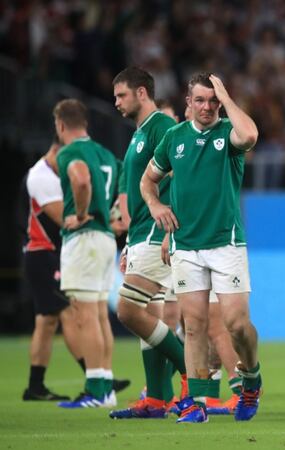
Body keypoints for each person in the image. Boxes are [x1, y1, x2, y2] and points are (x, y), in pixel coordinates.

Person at [141, 72, 262, 423]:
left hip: (226, 243)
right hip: (186, 245)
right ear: (188, 103)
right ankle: (196, 403)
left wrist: (227, 97)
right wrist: (155, 206)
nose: (207, 107)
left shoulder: (229, 133)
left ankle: (251, 376)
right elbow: (148, 180)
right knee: (193, 325)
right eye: (200, 100)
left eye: (213, 101)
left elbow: (251, 134)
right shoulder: (173, 138)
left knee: (236, 324)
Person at [107, 67, 188, 419]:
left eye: (121, 95)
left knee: (128, 311)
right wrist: (128, 238)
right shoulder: (140, 132)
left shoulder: (162, 128)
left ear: (142, 92)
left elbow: (183, 178)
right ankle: (157, 397)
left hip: (158, 232)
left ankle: (191, 372)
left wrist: (170, 231)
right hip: (140, 233)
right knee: (150, 319)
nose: (116, 102)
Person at [52, 99, 122, 409]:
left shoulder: (69, 152)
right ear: (86, 124)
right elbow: (125, 190)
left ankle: (95, 389)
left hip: (84, 238)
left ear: (61, 125)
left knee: (85, 315)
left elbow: (80, 179)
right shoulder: (105, 154)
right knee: (97, 314)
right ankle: (106, 387)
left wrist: (80, 215)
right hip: (106, 238)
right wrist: (116, 217)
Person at [20, 140, 82, 401]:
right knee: (68, 313)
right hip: (42, 253)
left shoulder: (51, 174)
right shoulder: (40, 176)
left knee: (46, 321)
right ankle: (97, 377)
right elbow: (62, 218)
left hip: (44, 253)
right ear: (55, 151)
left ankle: (35, 386)